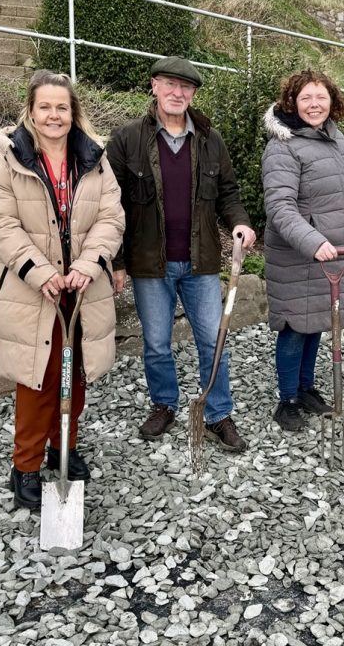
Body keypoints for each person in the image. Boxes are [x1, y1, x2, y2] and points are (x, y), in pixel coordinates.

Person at [0, 70, 126, 511]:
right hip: (33, 289)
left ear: (73, 112)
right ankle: (24, 465)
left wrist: (88, 265)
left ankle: (63, 448)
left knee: (75, 375)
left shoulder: (95, 159)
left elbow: (111, 217)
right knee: (37, 378)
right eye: (45, 106)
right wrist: (39, 271)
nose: (54, 115)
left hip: (81, 289)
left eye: (62, 107)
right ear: (31, 110)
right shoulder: (9, 160)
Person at [107, 56, 256, 452]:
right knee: (157, 343)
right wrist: (117, 262)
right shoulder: (126, 139)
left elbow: (228, 194)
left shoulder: (210, 139)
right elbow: (110, 205)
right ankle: (164, 405)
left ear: (193, 94)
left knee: (213, 341)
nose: (178, 93)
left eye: (186, 87)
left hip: (200, 262)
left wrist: (240, 222)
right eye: (170, 85)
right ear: (154, 86)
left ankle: (218, 414)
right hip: (148, 264)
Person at [261, 70, 344, 431]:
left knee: (316, 322)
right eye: (306, 98)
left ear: (333, 101)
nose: (315, 104)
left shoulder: (335, 141)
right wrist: (314, 241)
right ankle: (286, 400)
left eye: (321, 97)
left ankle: (305, 388)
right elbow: (280, 207)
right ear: (293, 102)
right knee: (294, 326)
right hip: (299, 253)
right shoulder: (283, 147)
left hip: (328, 252)